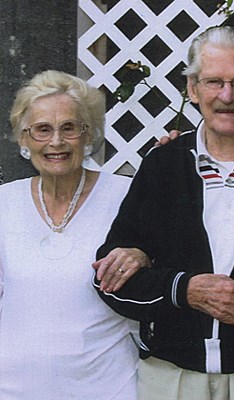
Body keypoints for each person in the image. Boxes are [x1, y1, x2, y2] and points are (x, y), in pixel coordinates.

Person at [93, 26, 234, 400]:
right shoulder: (164, 164)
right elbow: (109, 280)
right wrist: (183, 289)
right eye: (214, 81)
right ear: (193, 89)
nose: (227, 96)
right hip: (171, 378)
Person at [0, 69, 156, 399]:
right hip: (14, 388)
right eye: (42, 130)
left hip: (109, 387)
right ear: (24, 139)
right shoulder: (4, 203)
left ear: (88, 135)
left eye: (68, 128)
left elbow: (168, 264)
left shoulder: (126, 196)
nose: (56, 141)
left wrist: (145, 256)